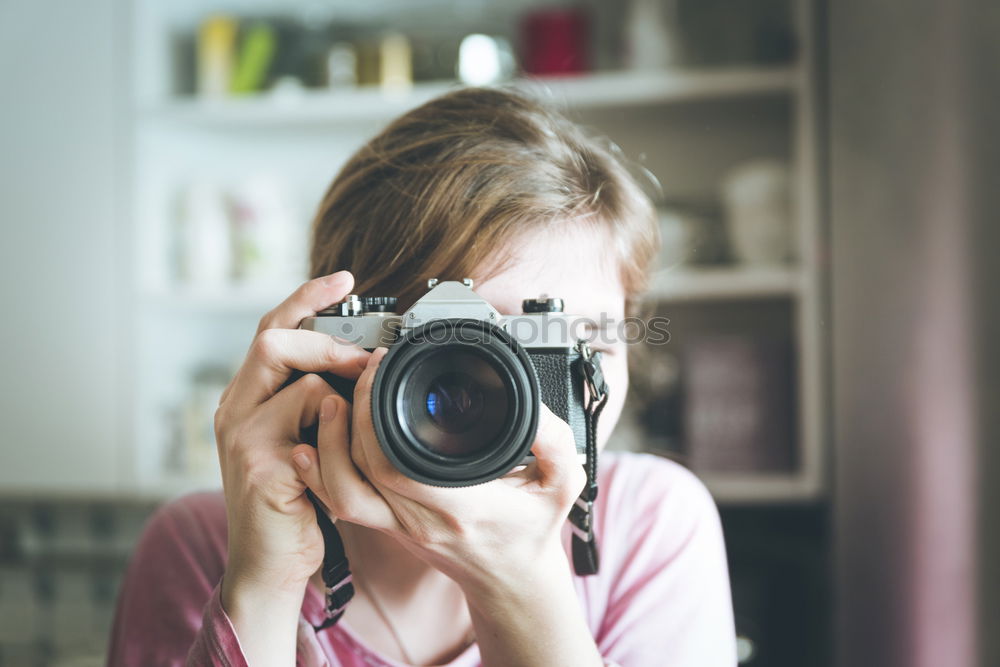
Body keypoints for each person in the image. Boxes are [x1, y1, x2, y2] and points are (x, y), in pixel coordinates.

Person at [108, 87, 735, 666]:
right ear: (332, 346)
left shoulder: (649, 524)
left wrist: (521, 580)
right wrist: (265, 584)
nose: (499, 393)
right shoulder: (207, 544)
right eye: (462, 351)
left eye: (573, 342)